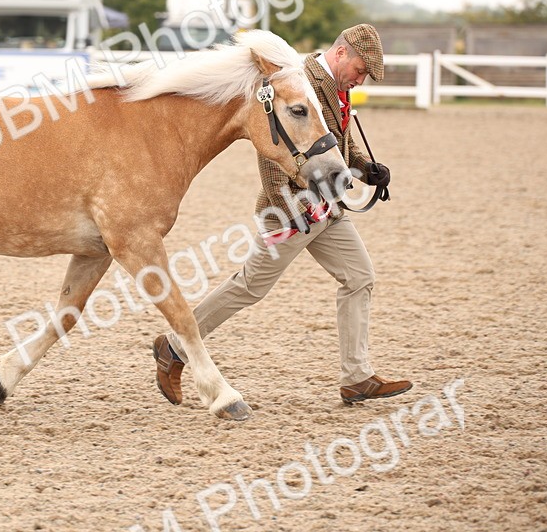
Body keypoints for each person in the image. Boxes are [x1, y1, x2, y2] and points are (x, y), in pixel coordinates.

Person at [152, 23, 412, 406]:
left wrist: (365, 166)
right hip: (292, 211)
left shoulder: (338, 88)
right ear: (341, 53)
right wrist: (293, 204)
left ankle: (356, 378)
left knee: (359, 277)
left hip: (329, 209)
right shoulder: (299, 80)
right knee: (250, 287)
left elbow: (337, 142)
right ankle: (175, 346)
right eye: (360, 70)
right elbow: (272, 150)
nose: (361, 79)